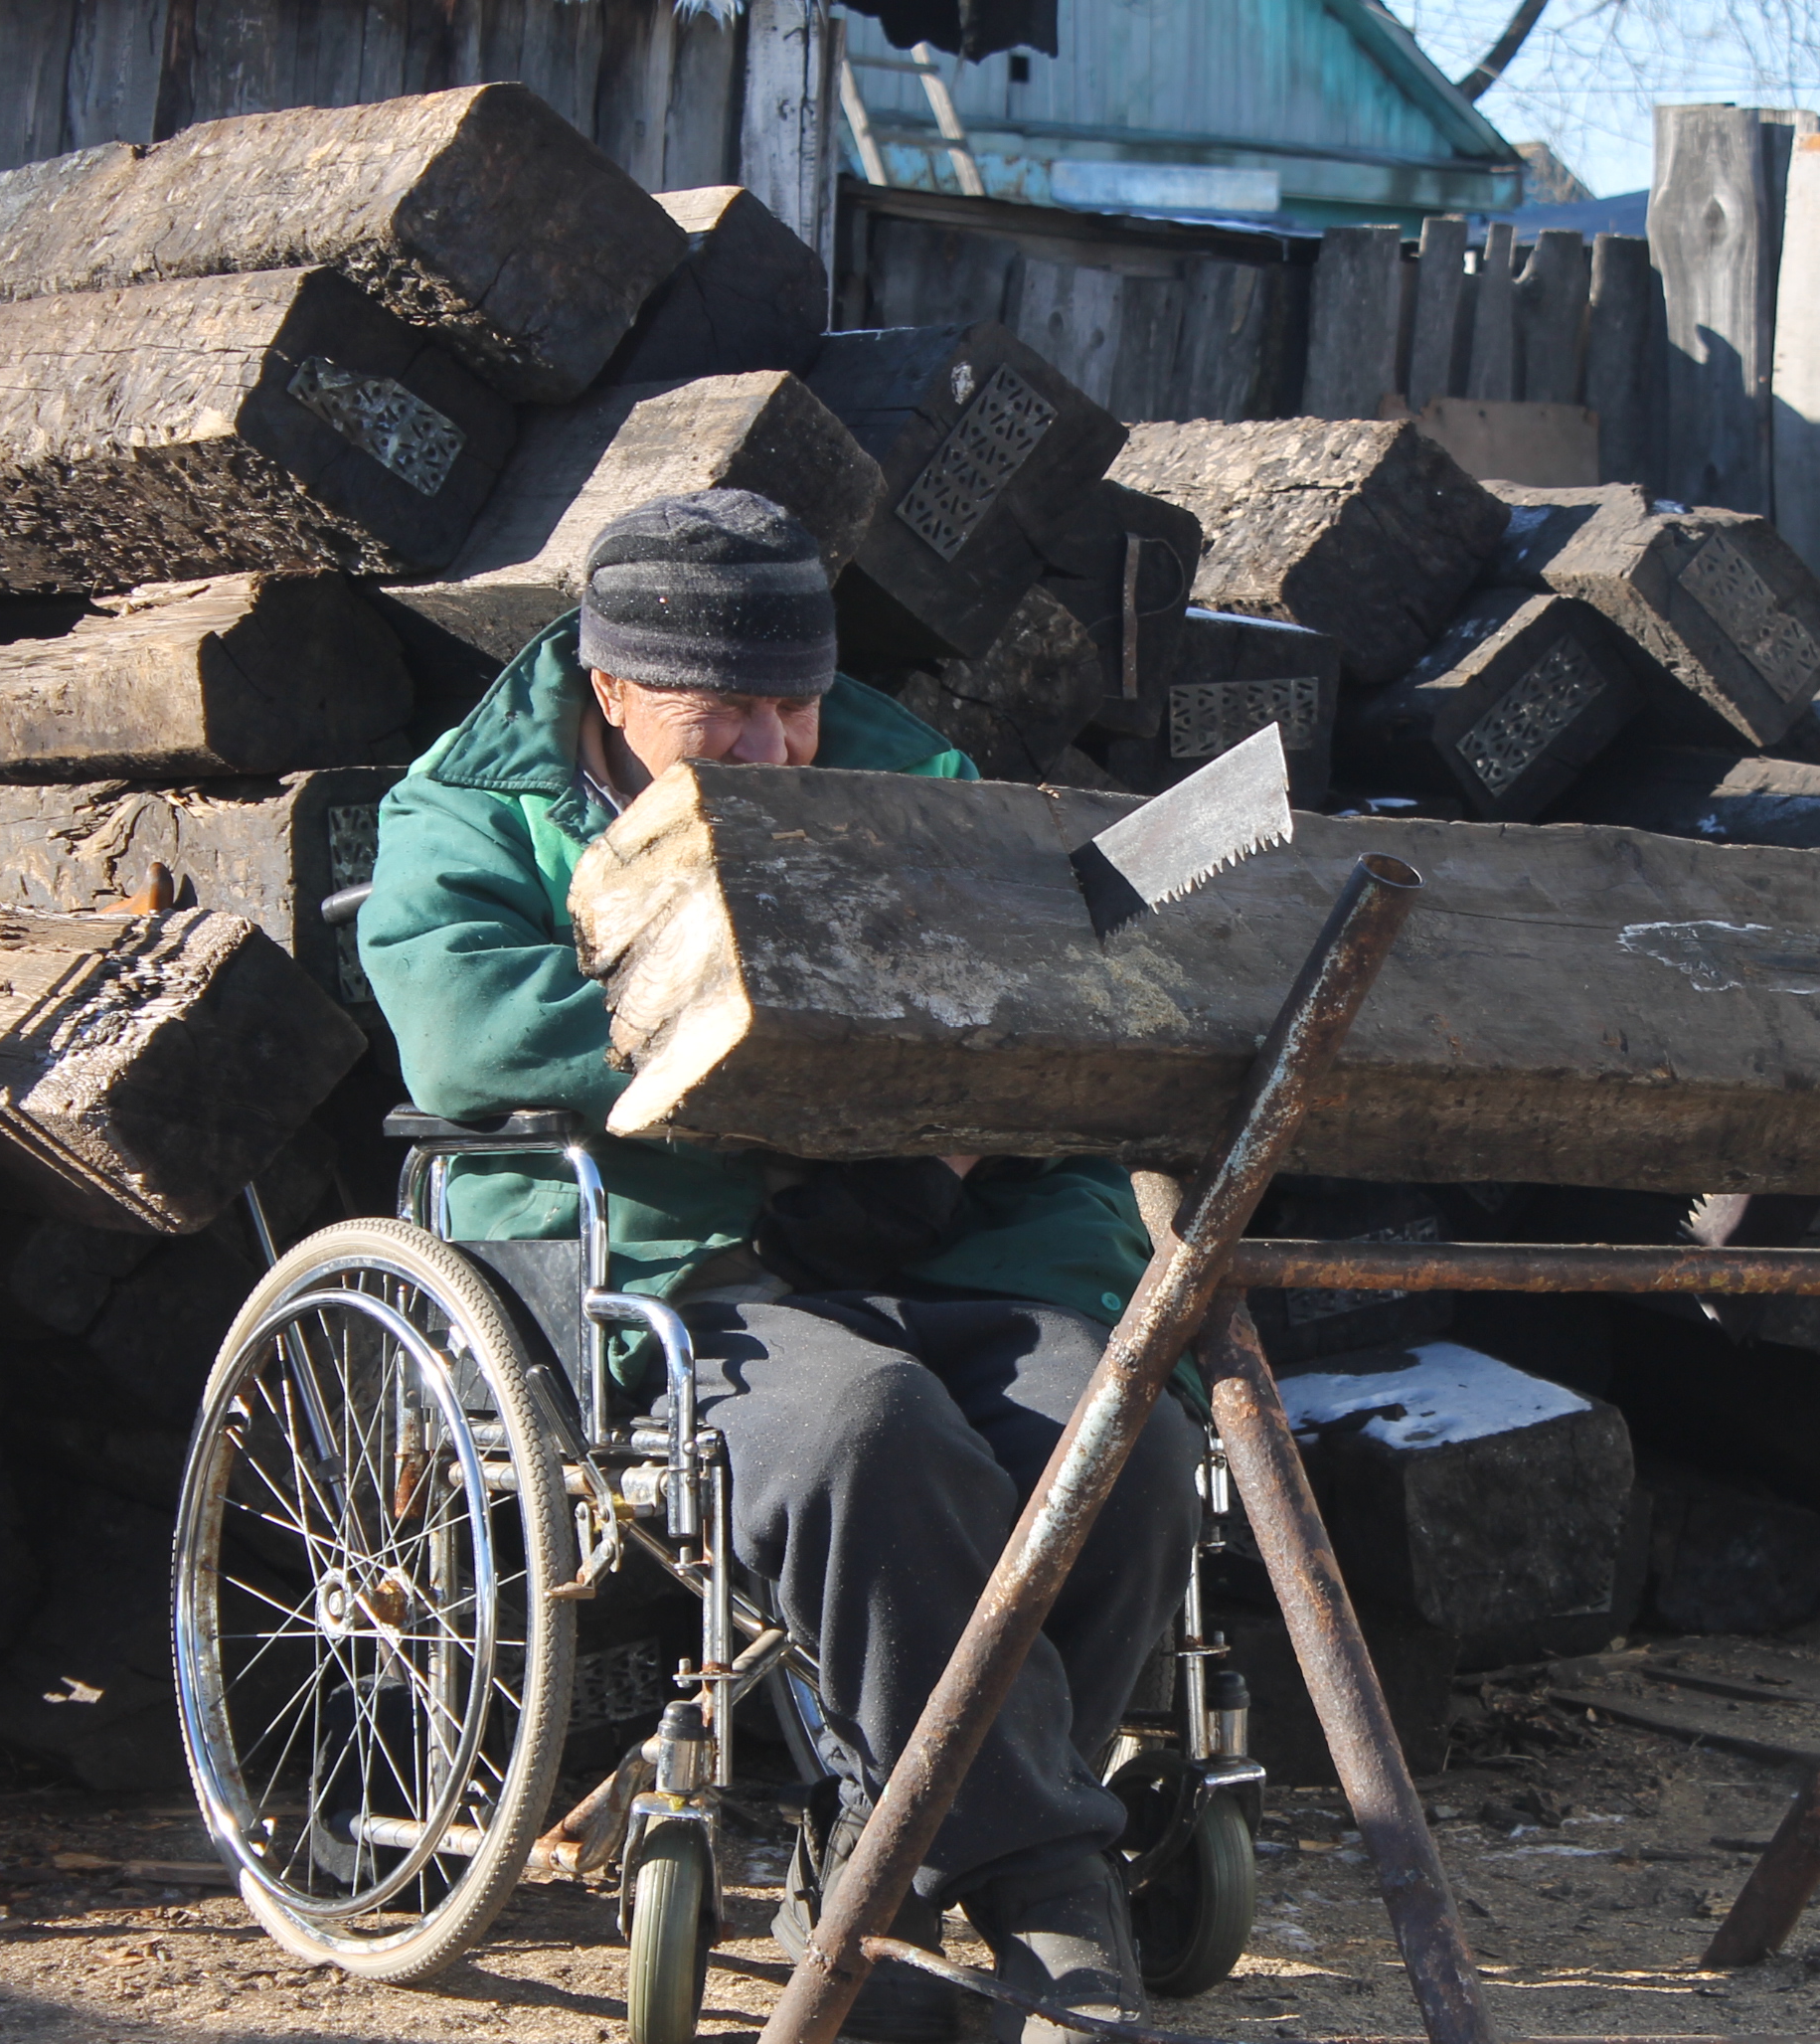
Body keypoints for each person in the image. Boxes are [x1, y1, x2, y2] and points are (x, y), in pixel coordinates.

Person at [361, 489, 1196, 2041]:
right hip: (686, 1261)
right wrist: (795, 1124)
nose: (767, 754)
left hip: (956, 1236)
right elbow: (479, 1032)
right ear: (609, 688)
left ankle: (882, 1882)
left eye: (793, 710)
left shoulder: (908, 773)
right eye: (719, 716)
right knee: (862, 1431)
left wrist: (937, 1155)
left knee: (1125, 1437)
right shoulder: (466, 813)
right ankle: (1049, 1903)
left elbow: (1015, 988)